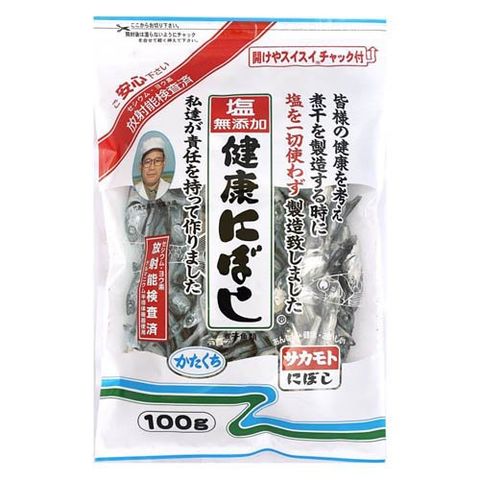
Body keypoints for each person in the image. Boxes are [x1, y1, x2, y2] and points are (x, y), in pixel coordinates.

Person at [134, 136, 171, 200]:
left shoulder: (171, 189)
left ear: (163, 164)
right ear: (141, 166)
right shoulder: (132, 191)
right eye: (147, 162)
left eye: (157, 161)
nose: (152, 167)